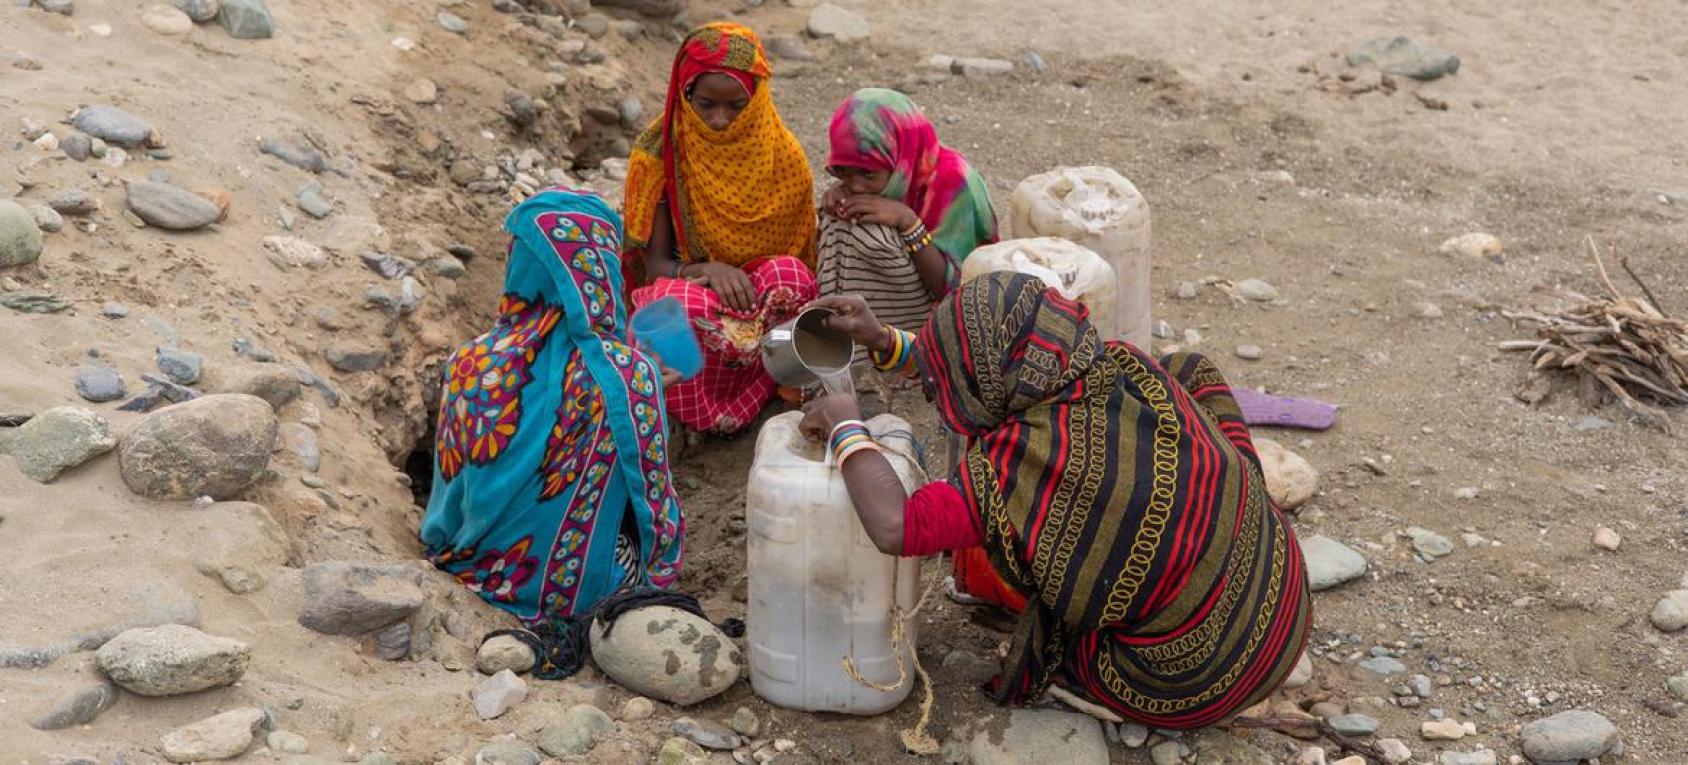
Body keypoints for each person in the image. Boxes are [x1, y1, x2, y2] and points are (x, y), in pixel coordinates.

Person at [799, 273, 1312, 729]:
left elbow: (895, 525)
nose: (939, 395)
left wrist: (847, 426)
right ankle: (1237, 517)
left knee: (1041, 594)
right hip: (1285, 595)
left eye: (942, 385)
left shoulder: (1025, 465)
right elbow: (976, 369)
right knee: (1189, 371)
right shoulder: (1118, 367)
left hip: (1198, 678)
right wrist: (882, 339)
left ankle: (1116, 687)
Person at [421, 187, 684, 626]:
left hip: (465, 565)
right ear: (601, 272)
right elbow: (652, 505)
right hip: (578, 592)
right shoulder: (629, 373)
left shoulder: (467, 362)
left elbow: (450, 494)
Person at [621, 22, 818, 434]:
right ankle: (690, 419)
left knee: (792, 278)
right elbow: (655, 265)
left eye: (736, 106)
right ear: (684, 92)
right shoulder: (661, 154)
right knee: (671, 306)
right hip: (695, 298)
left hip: (760, 302)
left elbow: (802, 259)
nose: (719, 120)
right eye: (705, 104)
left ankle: (769, 391)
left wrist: (748, 280)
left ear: (758, 100)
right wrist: (708, 271)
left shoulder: (784, 158)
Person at [817, 88, 998, 338]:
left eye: (868, 174)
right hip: (901, 301)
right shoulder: (884, 177)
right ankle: (845, 334)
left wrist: (908, 222)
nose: (856, 186)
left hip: (953, 321)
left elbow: (959, 292)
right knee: (841, 219)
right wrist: (835, 199)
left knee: (869, 228)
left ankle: (898, 347)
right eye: (844, 173)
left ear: (899, 158)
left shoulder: (954, 184)